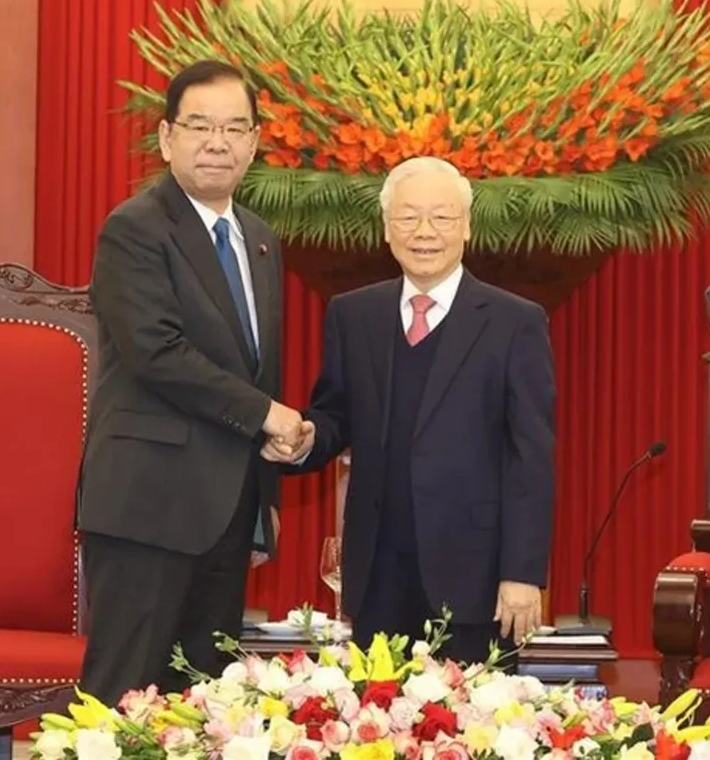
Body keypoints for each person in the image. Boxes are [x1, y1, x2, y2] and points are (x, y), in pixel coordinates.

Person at [264, 156, 556, 665]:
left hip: (476, 578)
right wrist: (306, 440)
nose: (425, 232)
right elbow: (335, 415)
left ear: (466, 227)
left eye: (441, 218)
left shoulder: (515, 322)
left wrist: (522, 573)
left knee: (475, 735)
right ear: (386, 228)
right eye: (408, 217)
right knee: (376, 728)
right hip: (377, 572)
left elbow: (530, 456)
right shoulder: (354, 315)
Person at [77, 60, 304, 704]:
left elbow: (257, 365)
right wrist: (268, 414)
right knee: (122, 701)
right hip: (148, 506)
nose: (217, 142)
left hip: (226, 512)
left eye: (235, 128)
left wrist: (264, 500)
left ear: (255, 143)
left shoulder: (258, 238)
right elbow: (157, 352)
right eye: (200, 125)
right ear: (167, 136)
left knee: (205, 707)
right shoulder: (136, 227)